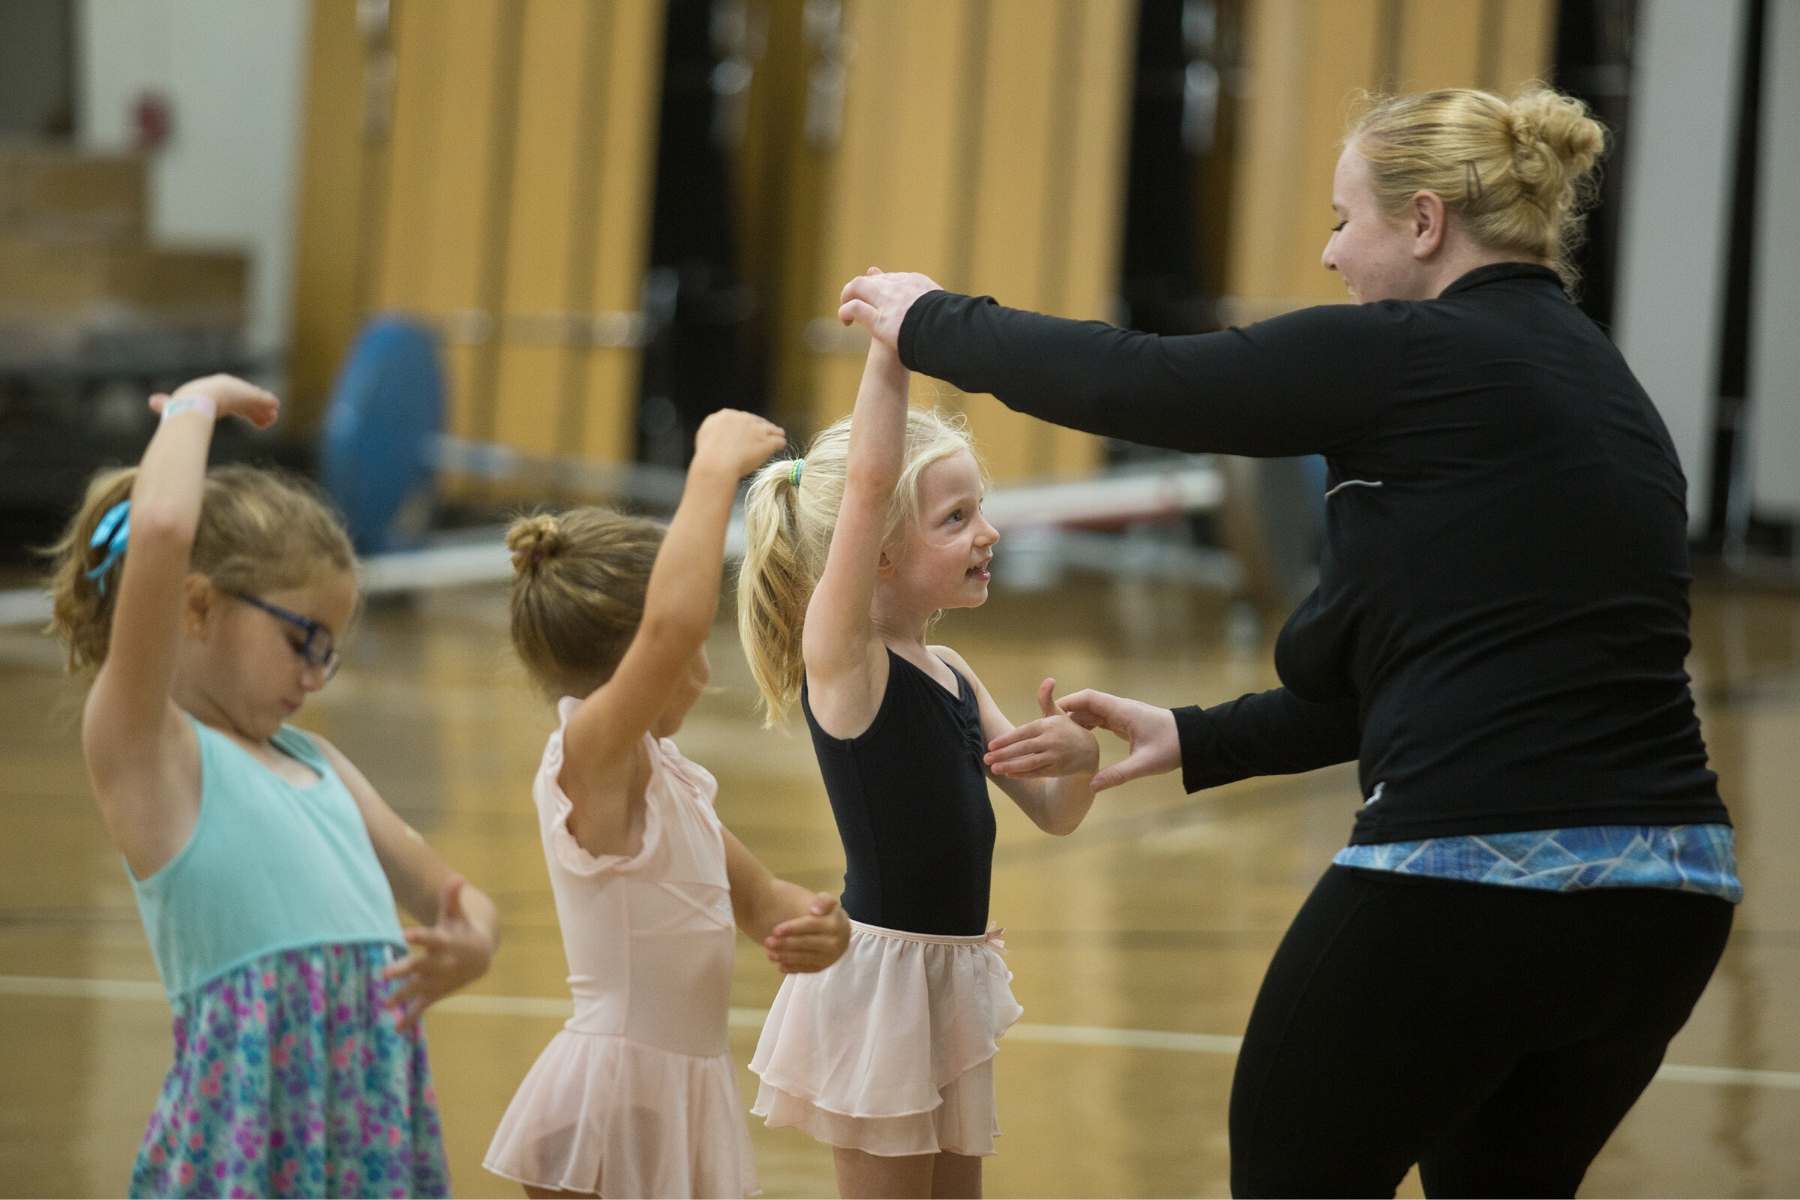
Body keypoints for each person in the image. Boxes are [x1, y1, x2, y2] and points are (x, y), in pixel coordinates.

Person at [837, 85, 1741, 1198]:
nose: (1328, 256)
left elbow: (1148, 379)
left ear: (1423, 224)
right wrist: (1196, 736)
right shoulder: (1608, 391)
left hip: (1473, 876)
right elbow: (1429, 674)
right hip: (1669, 898)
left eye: (1341, 218)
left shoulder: (1413, 353)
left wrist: (930, 320)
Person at [45, 375, 500, 1198]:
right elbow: (162, 526)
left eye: (331, 651)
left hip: (369, 1124)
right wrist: (196, 406)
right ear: (195, 606)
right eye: (303, 642)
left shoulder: (320, 765)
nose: (317, 676)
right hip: (247, 1136)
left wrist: (475, 943)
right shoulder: (151, 755)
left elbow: (453, 899)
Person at [735, 337, 1101, 1198]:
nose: (989, 531)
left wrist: (1080, 760)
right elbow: (869, 482)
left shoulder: (958, 677)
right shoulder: (850, 666)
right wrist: (890, 351)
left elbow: (1053, 810)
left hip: (947, 979)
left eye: (981, 509)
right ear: (880, 554)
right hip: (881, 994)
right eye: (956, 519)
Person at [483, 407, 852, 1200]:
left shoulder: (670, 780)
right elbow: (670, 623)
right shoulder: (589, 761)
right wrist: (712, 471)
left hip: (678, 1096)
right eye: (688, 656)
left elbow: (765, 905)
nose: (702, 669)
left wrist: (822, 925)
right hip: (605, 1102)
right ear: (636, 663)